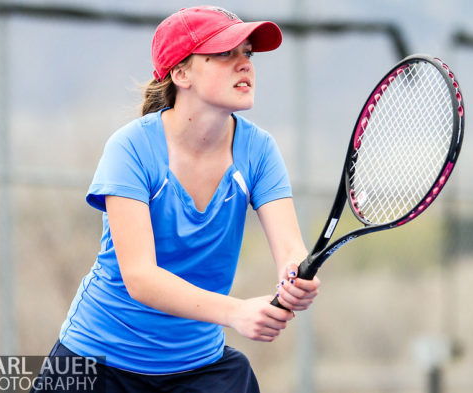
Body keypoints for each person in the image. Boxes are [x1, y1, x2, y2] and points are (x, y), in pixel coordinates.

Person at [31, 6, 320, 393]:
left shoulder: (260, 150)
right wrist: (236, 312)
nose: (244, 65)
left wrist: (293, 278)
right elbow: (141, 278)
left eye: (247, 53)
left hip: (199, 366)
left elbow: (290, 249)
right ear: (181, 74)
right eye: (223, 53)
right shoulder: (131, 148)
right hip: (96, 362)